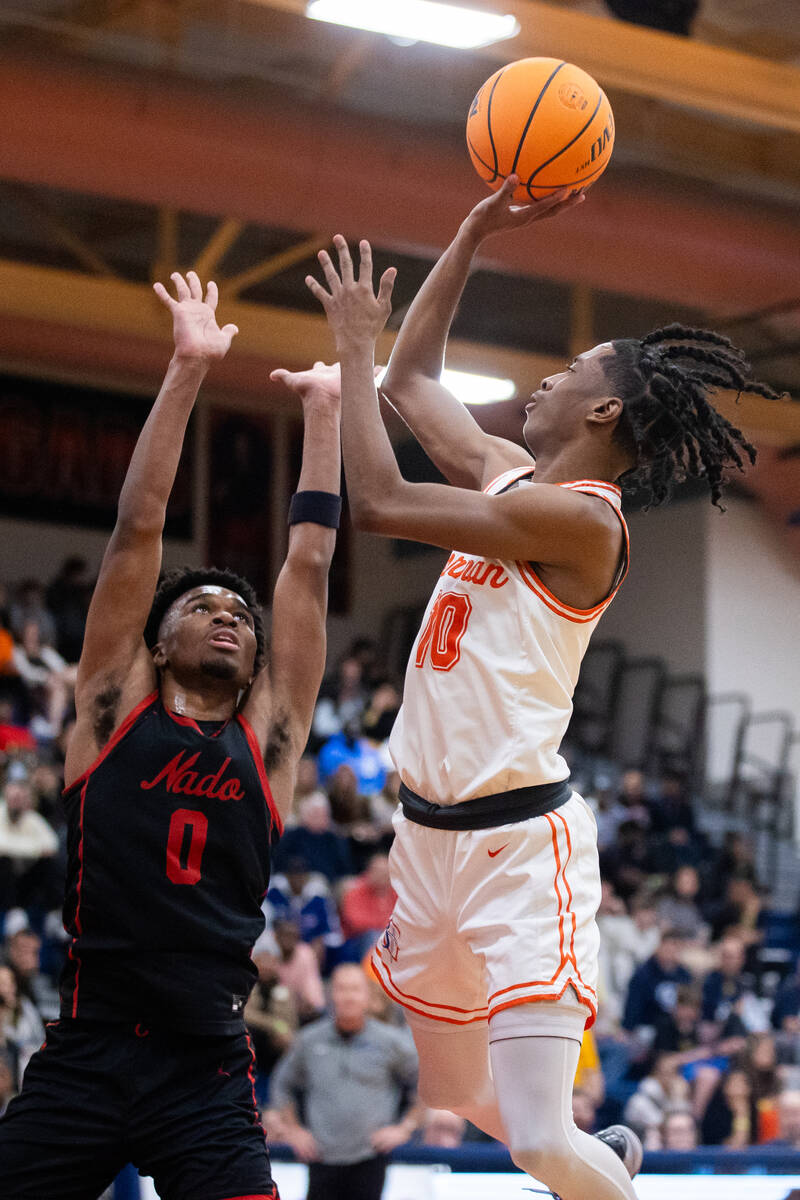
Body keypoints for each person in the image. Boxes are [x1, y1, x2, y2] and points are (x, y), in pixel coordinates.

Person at [272, 172, 778, 1200]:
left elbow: (374, 499)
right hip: (424, 841)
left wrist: (354, 345)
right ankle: (607, 1167)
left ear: (601, 409)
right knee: (468, 1105)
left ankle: (600, 1172)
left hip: (516, 845)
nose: (537, 383)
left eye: (564, 370)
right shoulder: (511, 478)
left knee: (544, 1142)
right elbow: (416, 387)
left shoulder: (584, 521)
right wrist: (465, 232)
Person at [0, 270, 344, 1200]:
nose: (230, 614)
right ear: (157, 642)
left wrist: (326, 412)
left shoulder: (269, 740)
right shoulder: (113, 708)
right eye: (202, 605)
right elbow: (138, 524)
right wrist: (190, 365)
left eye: (239, 609)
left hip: (204, 1068)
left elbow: (307, 568)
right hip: (87, 1054)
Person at [271, 962, 421, 1200]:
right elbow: (282, 1085)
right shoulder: (308, 1040)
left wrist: (405, 1128)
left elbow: (425, 1083)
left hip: (369, 1157)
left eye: (355, 989)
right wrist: (293, 1130)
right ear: (331, 994)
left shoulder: (391, 1042)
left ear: (367, 996)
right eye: (342, 989)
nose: (348, 996)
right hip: (320, 1157)